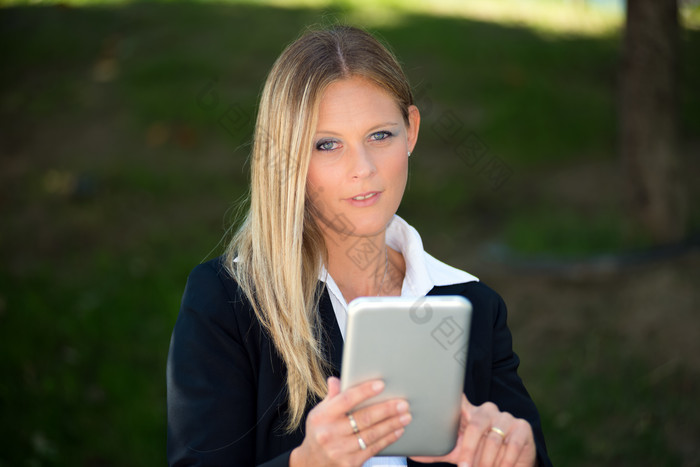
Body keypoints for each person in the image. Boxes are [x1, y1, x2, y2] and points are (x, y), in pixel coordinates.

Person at [167, 25, 552, 467]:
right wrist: (309, 462)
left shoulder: (473, 307)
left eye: (380, 135)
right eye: (327, 145)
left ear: (412, 130)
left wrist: (515, 456)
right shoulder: (228, 303)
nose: (363, 168)